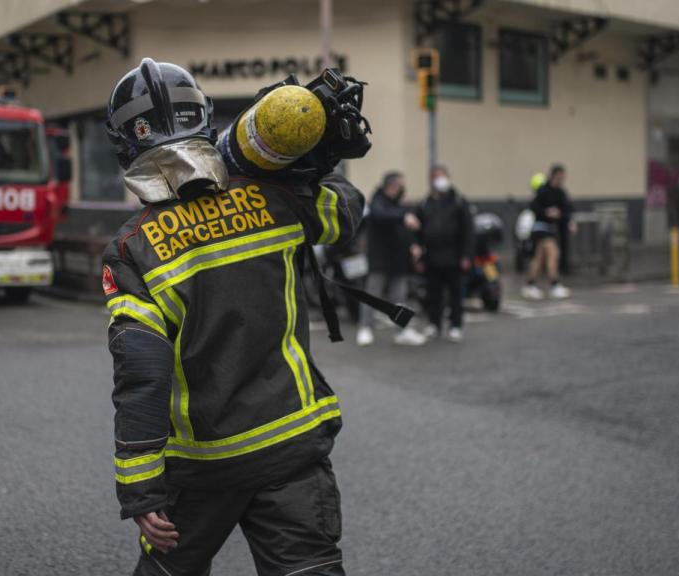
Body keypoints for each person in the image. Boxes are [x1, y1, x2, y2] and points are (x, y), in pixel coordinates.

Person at [101, 59, 365, 576]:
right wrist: (304, 162)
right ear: (206, 119)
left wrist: (140, 486)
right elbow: (348, 212)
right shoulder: (278, 198)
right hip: (292, 447)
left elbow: (142, 373)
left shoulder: (132, 248)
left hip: (202, 467)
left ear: (124, 145)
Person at [356, 171, 426, 347]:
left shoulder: (399, 205)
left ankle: (402, 331)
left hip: (399, 260)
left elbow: (404, 231)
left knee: (400, 296)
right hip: (380, 260)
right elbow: (382, 215)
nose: (403, 188)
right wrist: (404, 217)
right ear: (391, 185)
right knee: (373, 295)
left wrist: (413, 245)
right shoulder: (378, 202)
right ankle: (365, 328)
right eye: (400, 184)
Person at [416, 165, 474, 342]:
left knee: (455, 293)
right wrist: (418, 252)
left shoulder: (458, 201)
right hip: (432, 256)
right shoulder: (426, 203)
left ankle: (455, 325)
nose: (439, 180)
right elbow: (418, 230)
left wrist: (466, 255)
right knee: (434, 293)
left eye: (442, 176)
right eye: (436, 177)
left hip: (454, 256)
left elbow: (468, 231)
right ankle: (434, 324)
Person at [522, 164, 574, 300]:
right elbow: (534, 207)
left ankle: (530, 284)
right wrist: (547, 212)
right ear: (553, 175)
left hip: (550, 229)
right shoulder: (543, 191)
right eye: (559, 176)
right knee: (553, 253)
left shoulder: (560, 192)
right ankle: (554, 285)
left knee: (538, 258)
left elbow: (567, 208)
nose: (562, 179)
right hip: (541, 228)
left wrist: (565, 218)